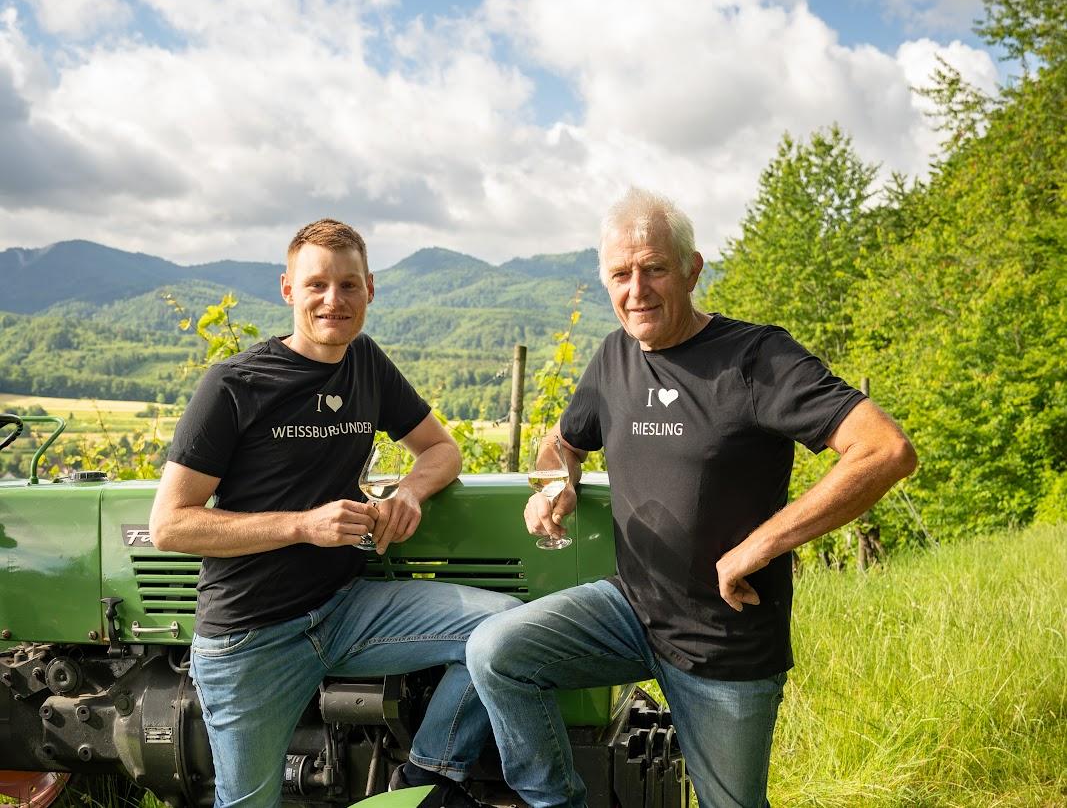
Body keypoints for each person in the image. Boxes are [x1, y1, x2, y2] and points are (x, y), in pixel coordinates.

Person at [467, 188, 917, 808]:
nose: (637, 290)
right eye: (620, 274)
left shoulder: (756, 357)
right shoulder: (614, 357)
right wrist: (554, 484)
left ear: (691, 269)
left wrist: (759, 545)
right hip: (629, 611)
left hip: (727, 641)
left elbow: (885, 449)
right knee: (496, 653)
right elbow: (564, 441)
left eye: (654, 269)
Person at [150, 218, 519, 808]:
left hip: (345, 609)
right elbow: (170, 525)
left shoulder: (366, 362)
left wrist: (407, 494)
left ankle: (423, 778)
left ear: (369, 289)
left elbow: (442, 449)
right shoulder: (234, 384)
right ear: (287, 288)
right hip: (251, 638)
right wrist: (302, 524)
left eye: (349, 285)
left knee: (507, 629)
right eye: (317, 284)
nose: (334, 300)